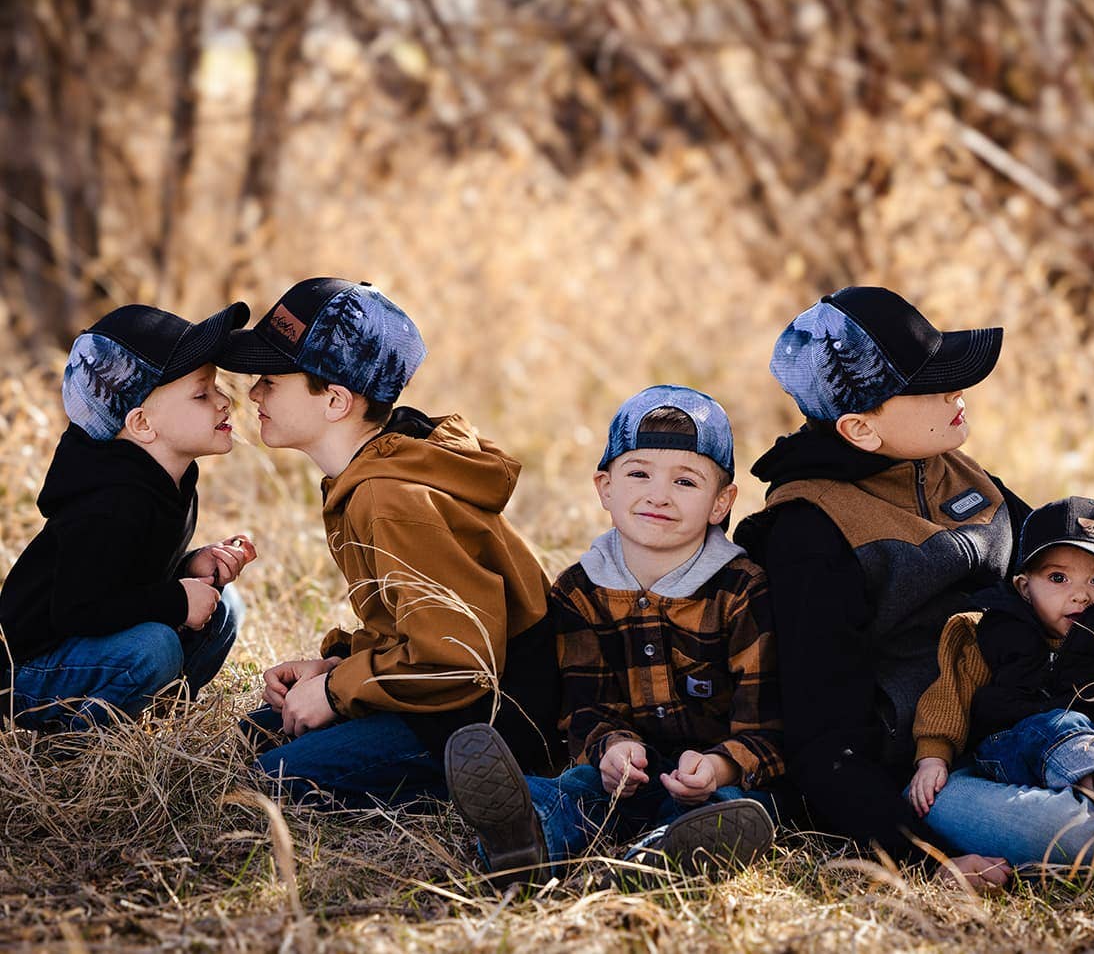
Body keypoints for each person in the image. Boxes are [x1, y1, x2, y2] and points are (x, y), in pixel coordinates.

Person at [734, 285, 1073, 889]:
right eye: (932, 386)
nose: (957, 392)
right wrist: (922, 861)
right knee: (1073, 834)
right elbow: (825, 740)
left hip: (1037, 703)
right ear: (861, 429)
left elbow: (1058, 560)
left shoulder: (948, 462)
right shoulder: (810, 534)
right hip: (938, 769)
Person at [219, 277, 559, 808]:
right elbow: (413, 623)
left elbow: (460, 659)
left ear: (335, 400)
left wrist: (335, 693)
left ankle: (502, 787)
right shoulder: (372, 471)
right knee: (256, 735)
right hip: (453, 691)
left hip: (497, 715)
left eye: (272, 380)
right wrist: (336, 666)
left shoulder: (388, 497)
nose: (255, 392)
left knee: (278, 780)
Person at [444, 386, 781, 882]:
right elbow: (586, 706)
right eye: (639, 474)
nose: (658, 495)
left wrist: (718, 767)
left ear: (721, 502)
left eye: (685, 481)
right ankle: (524, 837)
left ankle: (669, 854)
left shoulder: (741, 591)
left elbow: (767, 724)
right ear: (605, 488)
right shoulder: (579, 591)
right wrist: (614, 749)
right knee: (572, 787)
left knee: (740, 806)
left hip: (712, 777)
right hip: (624, 780)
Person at [0, 302, 255, 731]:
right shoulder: (109, 504)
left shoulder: (171, 478)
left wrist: (189, 567)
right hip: (33, 668)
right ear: (141, 424)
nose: (224, 401)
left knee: (225, 606)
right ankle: (75, 737)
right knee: (155, 647)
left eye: (217, 387)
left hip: (93, 642)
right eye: (201, 394)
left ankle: (153, 712)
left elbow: (127, 577)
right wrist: (176, 600)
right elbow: (78, 610)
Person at [909, 496, 1094, 859]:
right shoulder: (991, 634)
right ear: (1024, 587)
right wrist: (933, 757)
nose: (1080, 595)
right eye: (1058, 578)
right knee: (1059, 724)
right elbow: (949, 698)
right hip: (1014, 751)